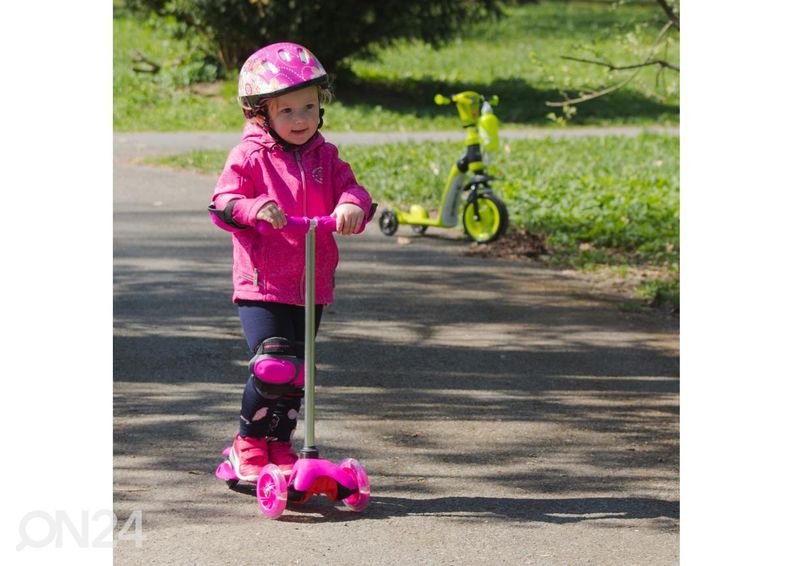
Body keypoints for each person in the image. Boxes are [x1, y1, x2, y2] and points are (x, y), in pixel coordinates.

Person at [209, 42, 373, 482]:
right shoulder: (250, 156)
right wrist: (252, 208)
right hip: (262, 283)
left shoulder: (328, 157)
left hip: (311, 282)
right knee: (274, 365)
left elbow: (354, 191)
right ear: (260, 114)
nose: (301, 119)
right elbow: (223, 201)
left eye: (309, 107)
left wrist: (353, 206)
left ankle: (279, 445)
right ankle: (247, 446)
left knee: (297, 376)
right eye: (287, 111)